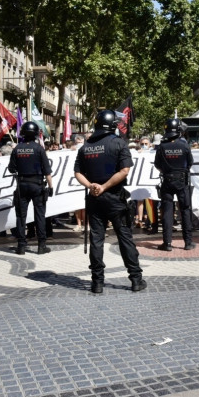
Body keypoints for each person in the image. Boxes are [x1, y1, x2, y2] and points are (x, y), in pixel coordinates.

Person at [74, 109, 145, 294]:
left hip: (94, 199)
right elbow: (124, 171)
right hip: (114, 198)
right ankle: (136, 279)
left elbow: (77, 173)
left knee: (96, 241)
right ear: (113, 124)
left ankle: (97, 282)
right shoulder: (119, 143)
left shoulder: (86, 146)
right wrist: (104, 187)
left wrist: (92, 186)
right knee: (125, 238)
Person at [8, 122, 53, 255]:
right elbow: (47, 171)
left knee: (21, 217)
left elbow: (11, 168)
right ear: (35, 134)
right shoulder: (39, 149)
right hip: (37, 185)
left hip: (22, 186)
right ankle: (41, 246)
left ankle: (21, 246)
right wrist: (51, 187)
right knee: (39, 215)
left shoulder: (17, 149)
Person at [153, 118, 195, 251]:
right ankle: (188, 243)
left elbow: (157, 164)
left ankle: (167, 243)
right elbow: (190, 163)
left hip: (167, 181)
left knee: (167, 212)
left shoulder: (162, 146)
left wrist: (167, 171)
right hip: (182, 181)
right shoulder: (184, 145)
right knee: (185, 211)